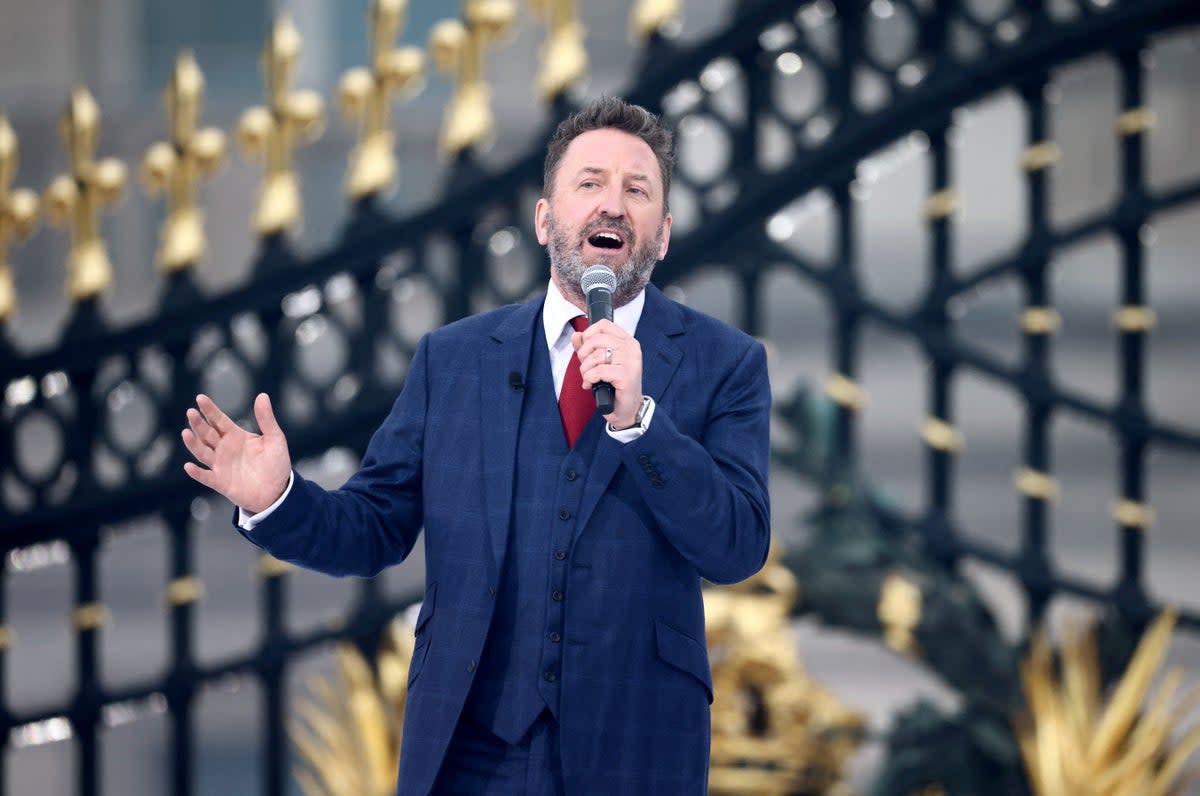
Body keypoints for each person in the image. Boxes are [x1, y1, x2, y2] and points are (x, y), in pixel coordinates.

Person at [182, 96, 771, 795]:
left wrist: (641, 420)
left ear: (662, 233)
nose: (612, 205)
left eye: (636, 190)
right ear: (545, 218)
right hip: (472, 753)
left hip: (637, 751)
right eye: (589, 184)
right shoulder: (454, 360)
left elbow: (736, 544)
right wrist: (277, 500)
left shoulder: (724, 363)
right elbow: (373, 529)